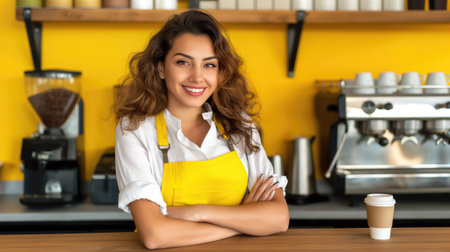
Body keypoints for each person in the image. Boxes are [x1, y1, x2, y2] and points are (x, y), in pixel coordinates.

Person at [114, 9, 289, 249]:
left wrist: (196, 213)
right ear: (161, 68)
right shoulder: (134, 130)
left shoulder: (240, 125)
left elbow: (278, 218)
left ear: (220, 72)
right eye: (183, 62)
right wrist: (243, 218)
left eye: (209, 65)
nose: (197, 77)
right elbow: (155, 235)